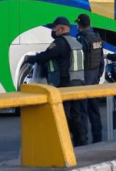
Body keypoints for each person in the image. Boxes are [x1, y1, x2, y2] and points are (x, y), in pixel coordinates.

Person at [25, 17, 87, 147]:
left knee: (63, 115)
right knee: (76, 115)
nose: (53, 30)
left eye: (54, 28)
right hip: (78, 84)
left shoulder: (60, 43)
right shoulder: (76, 42)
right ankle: (81, 142)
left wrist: (30, 58)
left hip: (64, 84)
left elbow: (45, 56)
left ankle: (64, 145)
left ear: (62, 28)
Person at [75, 14, 105, 144]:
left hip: (84, 78)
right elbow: (101, 61)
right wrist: (97, 77)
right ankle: (98, 138)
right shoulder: (97, 38)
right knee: (94, 110)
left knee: (82, 111)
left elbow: (78, 61)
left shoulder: (81, 39)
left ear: (79, 25)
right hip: (94, 78)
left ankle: (83, 139)